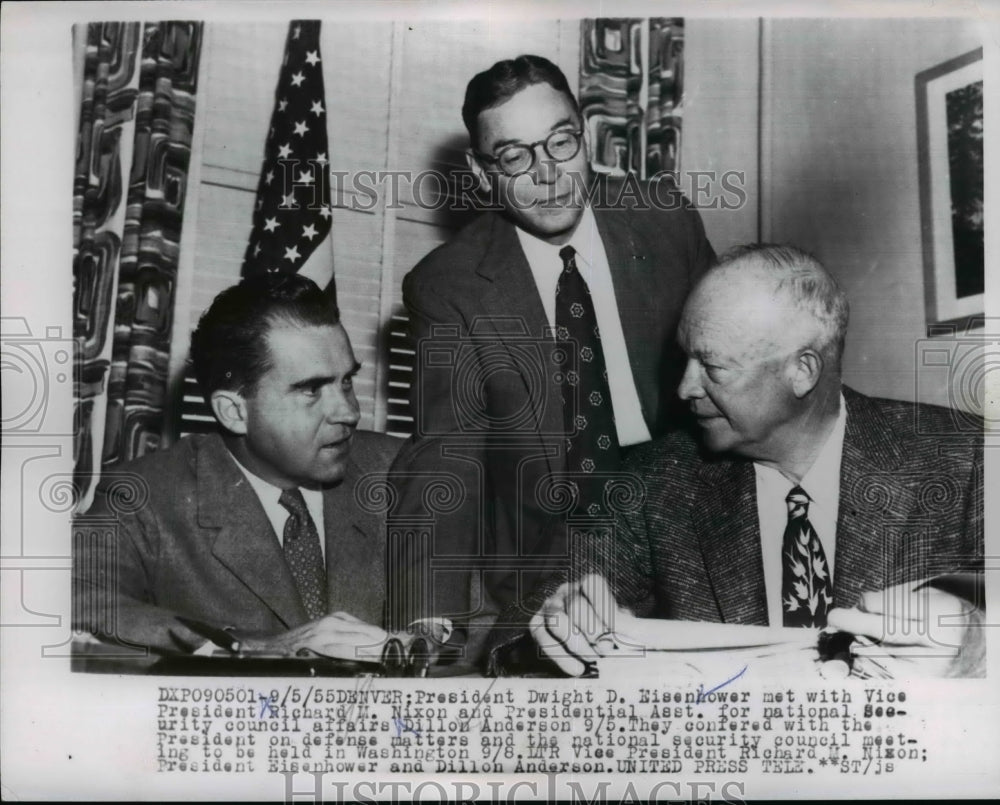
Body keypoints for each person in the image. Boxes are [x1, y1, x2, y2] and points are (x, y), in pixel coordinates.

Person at [514, 244, 983, 677]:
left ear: (802, 371)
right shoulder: (655, 480)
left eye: (713, 367)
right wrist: (561, 620)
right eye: (686, 359)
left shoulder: (969, 457)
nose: (685, 388)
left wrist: (976, 648)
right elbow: (514, 637)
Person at [387, 55, 715, 648]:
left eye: (561, 143)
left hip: (693, 537)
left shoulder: (664, 221)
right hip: (553, 561)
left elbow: (730, 374)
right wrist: (425, 625)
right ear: (481, 172)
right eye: (515, 156)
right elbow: (445, 456)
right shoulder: (448, 287)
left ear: (586, 137)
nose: (548, 174)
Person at [72, 273, 402, 657]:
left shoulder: (401, 470)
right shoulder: (143, 497)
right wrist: (253, 647)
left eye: (346, 381)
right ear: (234, 412)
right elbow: (74, 600)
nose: (348, 412)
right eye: (311, 389)